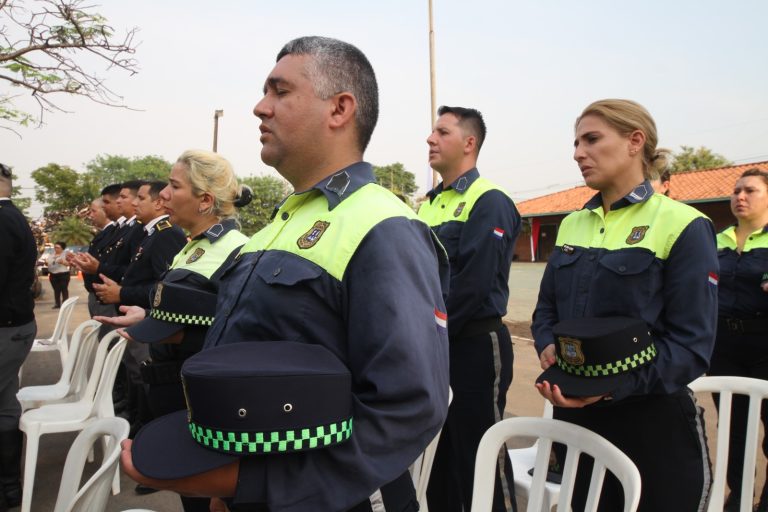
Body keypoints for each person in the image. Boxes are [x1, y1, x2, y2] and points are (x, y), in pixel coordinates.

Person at [120, 36, 450, 512]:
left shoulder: (383, 225)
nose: (260, 107)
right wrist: (228, 489)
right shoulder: (280, 223)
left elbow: (408, 407)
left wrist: (250, 483)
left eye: (280, 91)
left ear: (339, 109)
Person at [532, 99, 718, 511]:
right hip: (575, 418)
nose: (578, 153)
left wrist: (610, 388)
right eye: (576, 143)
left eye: (591, 139)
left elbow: (691, 346)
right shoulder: (571, 223)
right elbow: (546, 309)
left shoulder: (684, 225)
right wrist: (547, 344)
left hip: (651, 423)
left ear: (635, 141)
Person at [97, 149, 251, 511]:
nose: (163, 194)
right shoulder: (191, 246)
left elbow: (239, 336)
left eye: (174, 185)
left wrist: (180, 335)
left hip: (203, 401)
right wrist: (148, 314)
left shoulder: (238, 251)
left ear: (205, 201)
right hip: (171, 393)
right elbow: (180, 306)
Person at [419, 105, 520, 512]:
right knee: (438, 458)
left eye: (442, 132)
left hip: (474, 345)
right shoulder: (428, 205)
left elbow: (473, 285)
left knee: (479, 457)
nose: (431, 139)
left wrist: (428, 335)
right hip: (435, 344)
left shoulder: (489, 201)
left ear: (469, 142)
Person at [709, 168, 768, 512]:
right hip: (724, 346)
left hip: (765, 345)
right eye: (736, 191)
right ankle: (740, 496)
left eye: (750, 190)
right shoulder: (716, 240)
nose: (740, 197)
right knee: (733, 428)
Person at [0, 163, 36, 509]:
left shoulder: (3, 219)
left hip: (7, 327)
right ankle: (9, 487)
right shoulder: (11, 217)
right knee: (5, 406)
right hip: (13, 325)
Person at [45, 241, 71, 309]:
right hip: (53, 274)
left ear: (62, 248)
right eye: (55, 247)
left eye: (57, 247)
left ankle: (65, 304)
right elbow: (48, 262)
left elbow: (69, 264)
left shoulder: (66, 254)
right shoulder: (52, 254)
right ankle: (57, 304)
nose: (56, 249)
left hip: (63, 274)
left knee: (64, 289)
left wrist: (63, 262)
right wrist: (46, 262)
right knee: (56, 290)